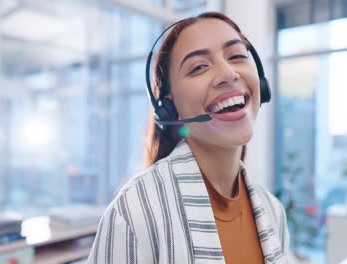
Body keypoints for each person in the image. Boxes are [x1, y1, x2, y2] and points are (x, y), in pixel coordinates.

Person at [86, 12, 290, 264]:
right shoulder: (134, 212)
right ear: (169, 108)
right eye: (199, 67)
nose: (228, 73)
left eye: (237, 56)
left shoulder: (272, 210)